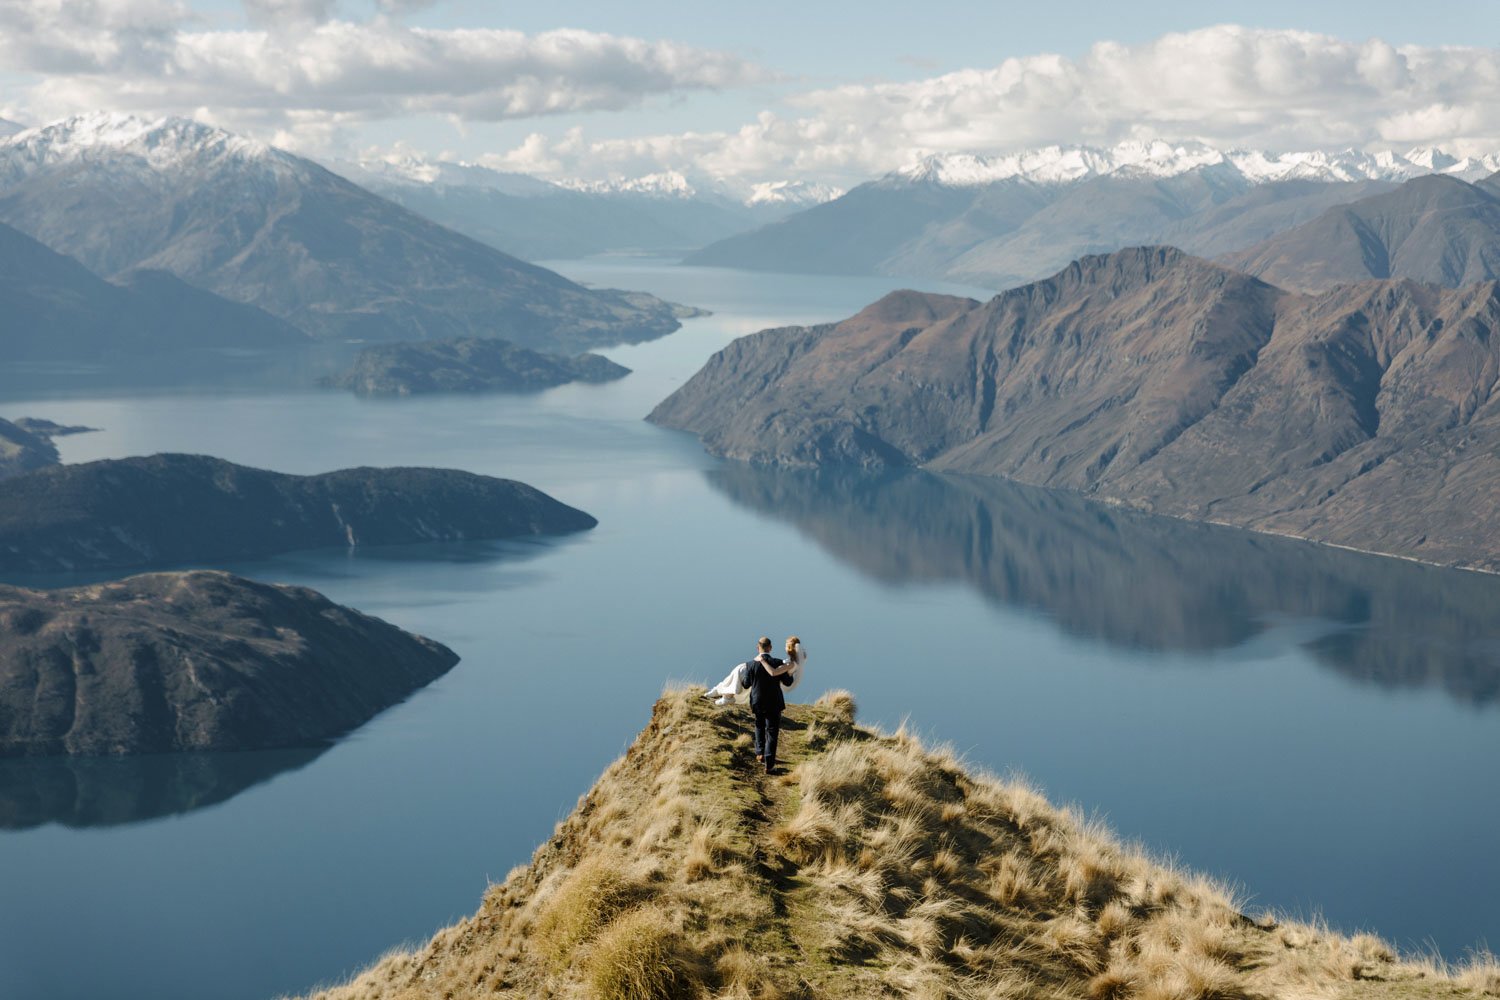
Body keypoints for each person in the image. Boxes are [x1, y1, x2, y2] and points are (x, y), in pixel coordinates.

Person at [746, 636, 795, 774]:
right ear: (770, 648)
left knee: (759, 725)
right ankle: (769, 764)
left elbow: (745, 683)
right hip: (774, 702)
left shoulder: (750, 665)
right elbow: (788, 683)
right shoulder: (778, 662)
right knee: (772, 732)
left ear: (758, 648)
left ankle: (760, 752)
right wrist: (790, 672)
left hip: (757, 701)